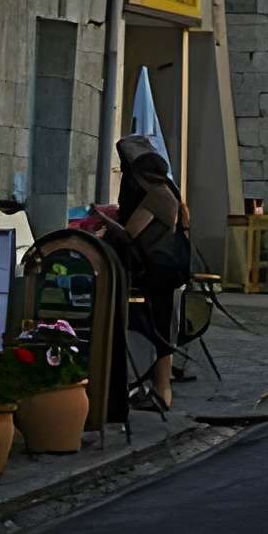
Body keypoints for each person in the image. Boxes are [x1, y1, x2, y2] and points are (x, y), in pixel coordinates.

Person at [111, 133, 189, 410]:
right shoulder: (168, 189)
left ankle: (161, 391)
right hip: (168, 271)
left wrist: (104, 221)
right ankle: (159, 389)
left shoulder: (155, 194)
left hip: (156, 271)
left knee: (157, 327)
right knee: (162, 325)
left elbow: (131, 232)